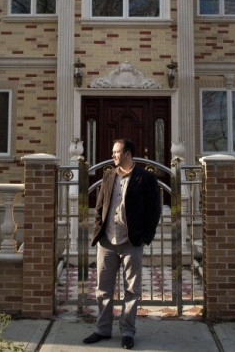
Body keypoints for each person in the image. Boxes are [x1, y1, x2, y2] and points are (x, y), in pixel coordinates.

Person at [82, 138, 162, 350]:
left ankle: (127, 332)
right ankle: (102, 329)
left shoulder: (145, 178)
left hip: (131, 242)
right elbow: (99, 207)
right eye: (113, 152)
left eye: (117, 152)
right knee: (103, 289)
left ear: (128, 154)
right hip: (107, 241)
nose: (113, 155)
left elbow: (154, 210)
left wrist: (146, 236)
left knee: (131, 290)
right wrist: (98, 230)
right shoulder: (108, 176)